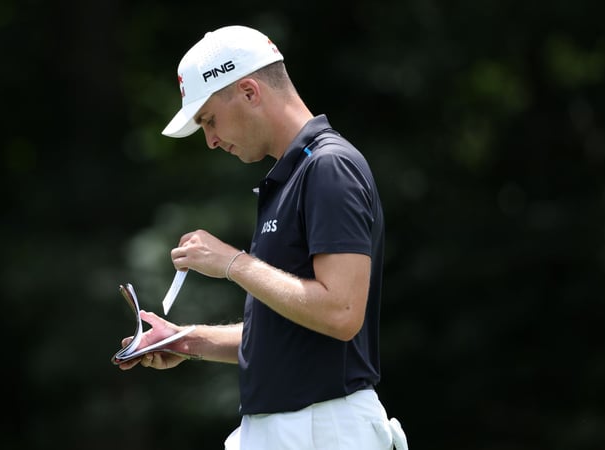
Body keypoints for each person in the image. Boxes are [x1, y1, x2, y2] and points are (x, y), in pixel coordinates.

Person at [118, 25, 408, 450]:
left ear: (250, 92)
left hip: (322, 428)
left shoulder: (328, 167)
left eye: (209, 120)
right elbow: (288, 332)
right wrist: (186, 340)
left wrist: (233, 263)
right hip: (298, 427)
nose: (211, 140)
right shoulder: (294, 177)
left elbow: (341, 312)